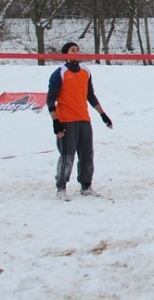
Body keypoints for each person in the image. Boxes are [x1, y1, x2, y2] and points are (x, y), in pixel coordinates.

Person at [47, 42, 113, 200]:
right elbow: (50, 100)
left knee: (87, 155)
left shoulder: (86, 72)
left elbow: (90, 96)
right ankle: (61, 188)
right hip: (66, 121)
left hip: (84, 119)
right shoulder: (60, 73)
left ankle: (86, 186)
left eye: (78, 49)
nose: (76, 52)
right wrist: (56, 122)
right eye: (72, 50)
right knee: (67, 155)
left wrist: (103, 115)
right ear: (66, 54)